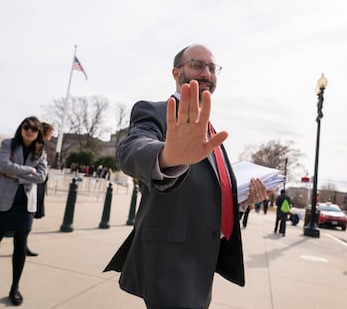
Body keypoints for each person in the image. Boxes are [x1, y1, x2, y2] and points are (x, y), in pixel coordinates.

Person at [104, 44, 269, 309]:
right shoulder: (155, 111)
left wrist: (241, 201)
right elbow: (131, 150)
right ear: (175, 72)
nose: (207, 73)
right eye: (197, 65)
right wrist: (168, 156)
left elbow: (209, 193)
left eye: (212, 68)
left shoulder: (211, 131)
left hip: (202, 261)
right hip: (170, 262)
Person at [0, 116, 48, 306]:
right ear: (21, 128)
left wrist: (18, 175)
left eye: (34, 128)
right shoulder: (8, 144)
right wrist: (29, 171)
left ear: (38, 132)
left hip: (25, 204)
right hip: (4, 201)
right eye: (26, 126)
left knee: (20, 245)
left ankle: (14, 287)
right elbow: (4, 165)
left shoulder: (41, 152)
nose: (29, 130)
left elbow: (41, 177)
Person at [27, 122, 54, 256]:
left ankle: (22, 242)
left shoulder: (41, 147)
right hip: (32, 184)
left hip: (38, 183)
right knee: (28, 214)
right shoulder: (36, 147)